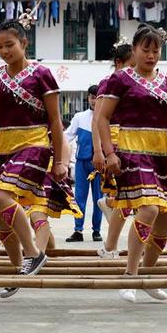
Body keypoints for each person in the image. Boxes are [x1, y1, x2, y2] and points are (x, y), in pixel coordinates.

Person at [0, 12, 64, 298]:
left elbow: (56, 121)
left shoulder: (42, 74)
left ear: (24, 43)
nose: (5, 51)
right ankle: (20, 269)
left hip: (35, 144)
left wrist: (59, 160)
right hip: (5, 150)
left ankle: (34, 254)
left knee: (0, 196)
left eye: (10, 44)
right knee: (0, 218)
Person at [96, 24, 167, 303]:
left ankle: (147, 274)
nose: (150, 55)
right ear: (134, 50)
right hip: (132, 150)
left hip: (162, 151)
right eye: (145, 50)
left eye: (155, 50)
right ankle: (130, 275)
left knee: (166, 218)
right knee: (148, 208)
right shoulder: (121, 80)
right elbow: (102, 118)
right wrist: (110, 153)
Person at [92, 39, 135, 259]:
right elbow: (98, 119)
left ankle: (110, 246)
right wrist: (99, 151)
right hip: (114, 143)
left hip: (134, 143)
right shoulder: (108, 83)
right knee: (127, 199)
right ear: (119, 63)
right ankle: (109, 247)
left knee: (128, 199)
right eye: (131, 64)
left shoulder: (135, 82)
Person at [64, 85, 103, 242]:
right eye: (92, 97)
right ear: (88, 98)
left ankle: (97, 231)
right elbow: (67, 136)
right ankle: (78, 230)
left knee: (98, 199)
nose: (95, 101)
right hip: (81, 163)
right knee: (79, 197)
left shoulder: (107, 117)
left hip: (99, 164)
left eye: (98, 98)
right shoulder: (80, 117)